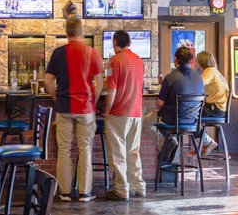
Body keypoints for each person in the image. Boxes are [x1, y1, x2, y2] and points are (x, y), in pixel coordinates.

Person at [45, 17, 104, 202]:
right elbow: (100, 82)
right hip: (85, 108)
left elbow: (47, 81)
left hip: (64, 108)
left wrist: (56, 96)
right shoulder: (92, 52)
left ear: (66, 33)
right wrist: (92, 98)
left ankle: (65, 193)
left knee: (64, 149)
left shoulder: (58, 52)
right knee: (85, 149)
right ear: (82, 32)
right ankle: (85, 193)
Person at [102, 30, 147, 201]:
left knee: (118, 153)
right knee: (133, 151)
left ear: (114, 42)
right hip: (137, 112)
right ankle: (139, 187)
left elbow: (111, 89)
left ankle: (121, 190)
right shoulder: (139, 61)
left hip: (120, 112)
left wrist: (107, 109)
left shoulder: (114, 61)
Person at [148, 47, 205, 164]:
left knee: (143, 123)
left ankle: (170, 141)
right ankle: (171, 141)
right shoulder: (199, 77)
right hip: (194, 122)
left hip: (173, 121)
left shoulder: (170, 77)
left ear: (175, 59)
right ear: (190, 61)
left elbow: (160, 103)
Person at [196, 51, 230, 155]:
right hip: (219, 109)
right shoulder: (215, 71)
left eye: (197, 60)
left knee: (187, 116)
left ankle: (207, 141)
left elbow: (197, 85)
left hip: (215, 109)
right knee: (188, 115)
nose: (195, 62)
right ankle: (206, 141)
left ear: (201, 61)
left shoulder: (209, 71)